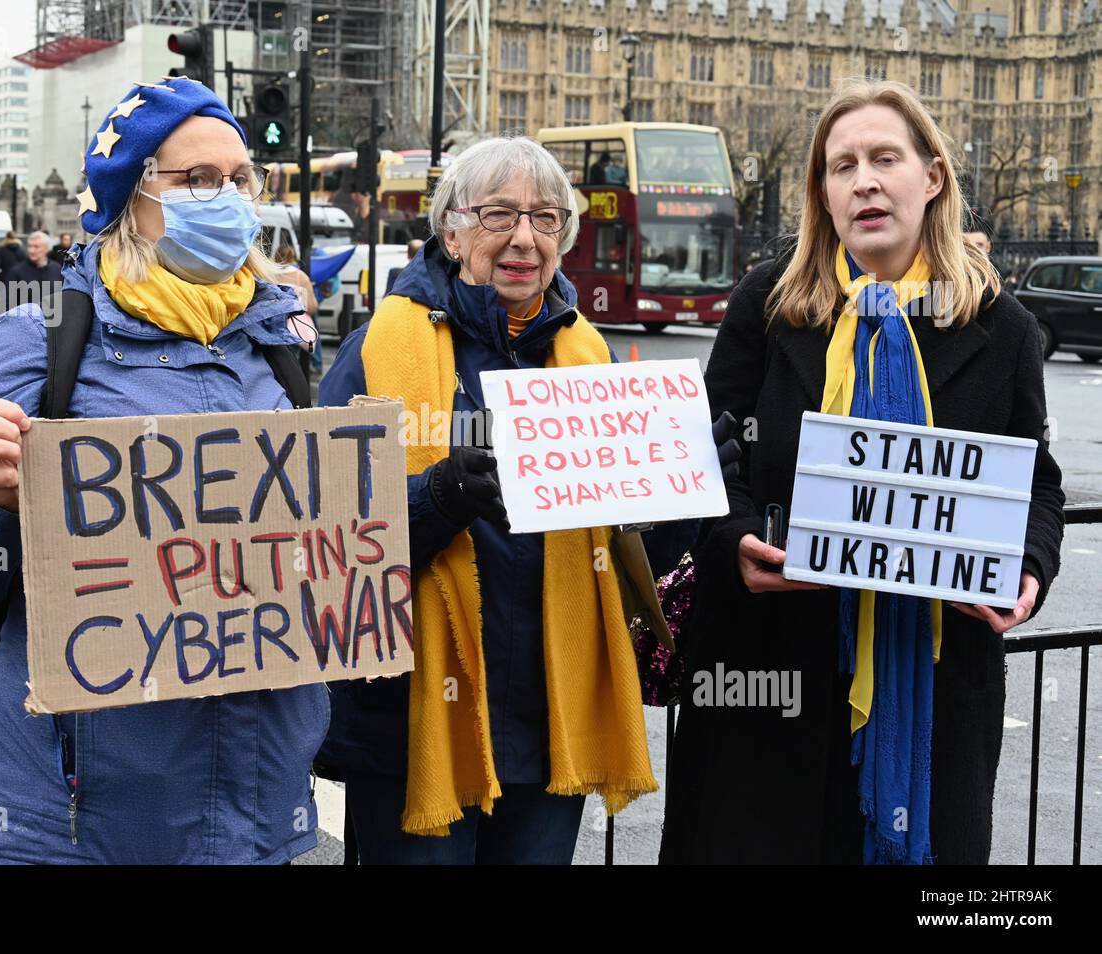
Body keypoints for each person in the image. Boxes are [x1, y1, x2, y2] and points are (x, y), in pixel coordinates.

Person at [0, 76, 322, 865]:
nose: (225, 197)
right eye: (196, 180)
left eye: (238, 179)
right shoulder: (42, 338)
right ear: (132, 196)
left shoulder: (279, 344)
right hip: (71, 827)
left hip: (249, 820)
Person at [663, 80, 1065, 865]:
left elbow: (1036, 479)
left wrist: (1029, 568)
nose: (865, 180)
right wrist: (737, 539)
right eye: (841, 165)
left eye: (886, 158)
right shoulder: (769, 304)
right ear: (823, 192)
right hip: (768, 678)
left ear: (933, 177)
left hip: (936, 683)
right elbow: (699, 452)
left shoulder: (1004, 328)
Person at [316, 136, 732, 864]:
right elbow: (323, 533)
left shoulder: (591, 356)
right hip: (412, 729)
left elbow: (631, 555)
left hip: (551, 727)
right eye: (498, 215)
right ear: (450, 229)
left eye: (545, 218)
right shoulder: (376, 349)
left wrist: (688, 493)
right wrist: (437, 499)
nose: (523, 238)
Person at [2, 231, 64, 317]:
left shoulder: (58, 270)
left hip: (52, 324)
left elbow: (63, 298)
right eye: (30, 246)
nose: (31, 250)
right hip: (25, 324)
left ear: (46, 249)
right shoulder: (16, 272)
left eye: (36, 247)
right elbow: (8, 304)